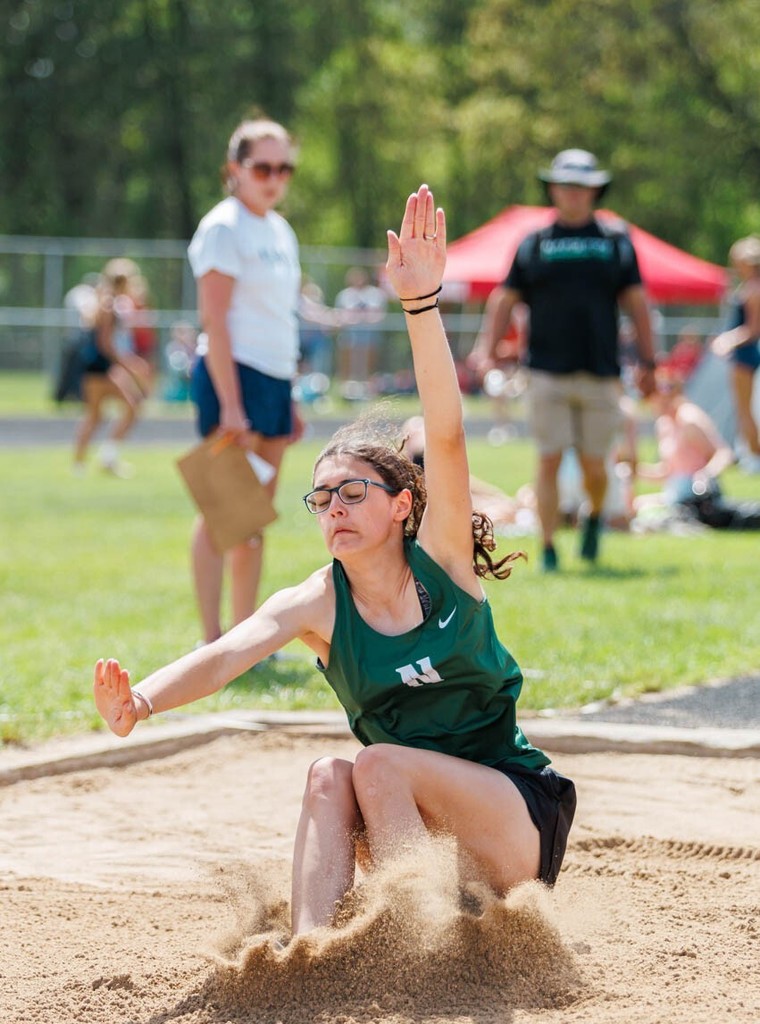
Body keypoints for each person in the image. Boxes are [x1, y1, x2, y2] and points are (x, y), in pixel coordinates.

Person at [94, 185, 576, 940]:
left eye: (352, 491)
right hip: (409, 822)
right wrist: (142, 704)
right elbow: (227, 653)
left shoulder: (443, 561)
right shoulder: (318, 602)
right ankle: (314, 948)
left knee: (380, 763)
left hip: (513, 816)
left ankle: (415, 939)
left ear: (401, 507)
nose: (334, 509)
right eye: (320, 499)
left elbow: (445, 436)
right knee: (330, 774)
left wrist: (421, 305)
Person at [469, 149, 656, 571]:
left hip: (600, 371)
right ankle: (549, 546)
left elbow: (638, 303)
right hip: (546, 371)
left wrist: (648, 361)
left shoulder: (614, 241)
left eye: (582, 186)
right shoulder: (535, 243)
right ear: (553, 189)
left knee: (595, 463)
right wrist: (487, 350)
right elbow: (505, 298)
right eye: (566, 185)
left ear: (594, 191)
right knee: (548, 458)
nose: (573, 193)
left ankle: (592, 516)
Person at [187, 117, 304, 644]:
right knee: (225, 515)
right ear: (235, 169)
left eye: (284, 168)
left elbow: (281, 317)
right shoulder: (223, 227)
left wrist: (291, 394)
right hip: (234, 377)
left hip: (275, 381)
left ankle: (245, 637)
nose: (274, 177)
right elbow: (215, 320)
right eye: (263, 167)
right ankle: (213, 641)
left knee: (254, 520)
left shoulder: (280, 230)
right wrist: (232, 404)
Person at [636, 371, 760, 529]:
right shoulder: (663, 424)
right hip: (675, 493)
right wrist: (635, 470)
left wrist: (706, 473)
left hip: (696, 496)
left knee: (644, 511)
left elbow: (723, 453)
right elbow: (668, 470)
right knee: (636, 506)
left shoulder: (689, 420)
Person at [72, 259, 152, 476]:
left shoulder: (109, 301)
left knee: (105, 413)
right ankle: (88, 462)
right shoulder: (108, 305)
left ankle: (95, 461)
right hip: (100, 367)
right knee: (102, 414)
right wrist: (129, 364)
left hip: (102, 366)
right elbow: (105, 344)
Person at [711, 236, 760, 473]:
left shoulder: (755, 288)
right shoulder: (749, 286)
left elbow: (753, 329)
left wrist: (727, 341)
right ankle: (751, 454)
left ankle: (756, 457)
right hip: (743, 355)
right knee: (743, 409)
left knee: (745, 409)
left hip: (746, 354)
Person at [335, 266, 388, 387]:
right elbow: (340, 315)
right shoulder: (344, 295)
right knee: (346, 355)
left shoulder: (374, 293)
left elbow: (378, 314)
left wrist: (361, 316)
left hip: (369, 335)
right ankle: (345, 384)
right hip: (349, 334)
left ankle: (368, 385)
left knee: (369, 357)